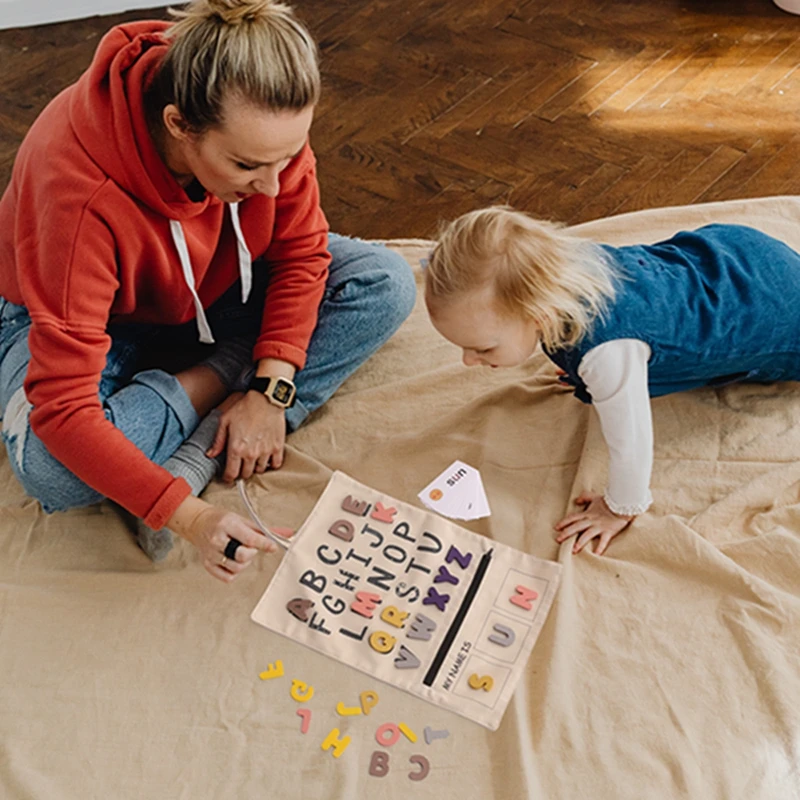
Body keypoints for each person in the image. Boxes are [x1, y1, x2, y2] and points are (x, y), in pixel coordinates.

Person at [0, 0, 416, 581]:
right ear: (178, 125)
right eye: (248, 165)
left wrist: (271, 393)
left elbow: (302, 254)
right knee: (54, 469)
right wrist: (189, 517)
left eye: (289, 156)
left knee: (385, 282)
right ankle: (224, 365)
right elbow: (65, 409)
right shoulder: (75, 190)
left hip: (209, 285)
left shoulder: (265, 131)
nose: (274, 184)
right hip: (70, 315)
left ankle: (194, 452)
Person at [424, 205, 800, 556]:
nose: (467, 360)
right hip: (735, 251)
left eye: (483, 349)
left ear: (540, 314)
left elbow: (632, 440)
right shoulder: (566, 266)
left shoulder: (607, 352)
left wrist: (620, 507)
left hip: (777, 312)